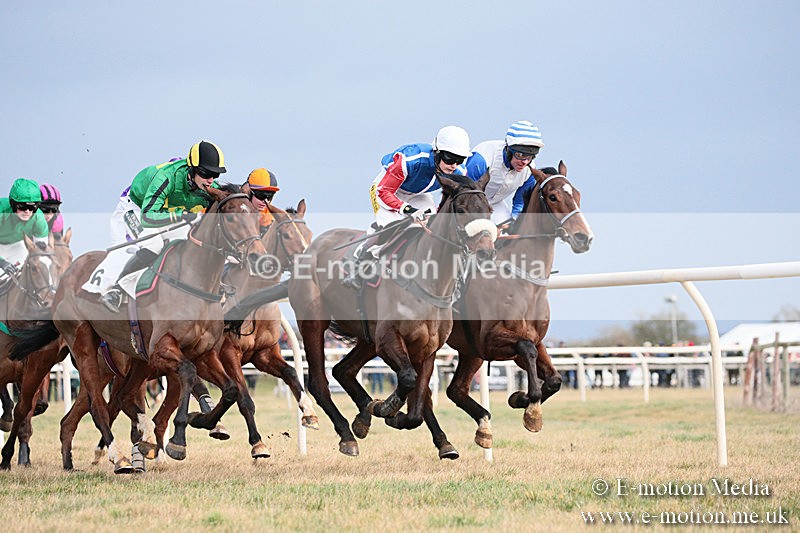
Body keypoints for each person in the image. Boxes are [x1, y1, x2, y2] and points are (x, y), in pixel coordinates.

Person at [86, 140, 227, 313]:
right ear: (192, 169)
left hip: (166, 211)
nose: (211, 180)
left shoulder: (209, 185)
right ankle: (116, 290)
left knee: (188, 242)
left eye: (215, 175)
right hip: (137, 210)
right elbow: (148, 217)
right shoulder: (166, 178)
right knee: (154, 246)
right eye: (206, 174)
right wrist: (185, 216)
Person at [342, 125, 472, 290]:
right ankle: (360, 260)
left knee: (434, 227)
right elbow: (384, 192)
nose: (453, 165)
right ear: (437, 152)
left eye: (459, 160)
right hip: (387, 190)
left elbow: (446, 202)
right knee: (391, 226)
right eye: (449, 158)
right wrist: (407, 209)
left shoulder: (459, 172)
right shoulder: (411, 159)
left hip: (418, 194)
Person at [465, 120, 544, 224]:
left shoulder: (530, 171)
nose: (525, 162)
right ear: (508, 150)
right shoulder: (481, 159)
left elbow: (520, 202)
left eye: (530, 157)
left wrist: (515, 220)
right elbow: (466, 195)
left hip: (496, 205)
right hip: (466, 204)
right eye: (520, 155)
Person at [0, 178, 48, 280]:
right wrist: (2, 262)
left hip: (16, 247)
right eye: (22, 206)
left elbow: (41, 250)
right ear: (13, 203)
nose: (27, 211)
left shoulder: (38, 218)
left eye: (32, 207)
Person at [243, 167, 280, 232]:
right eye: (261, 196)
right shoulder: (234, 210)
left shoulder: (270, 218)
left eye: (269, 197)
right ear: (248, 191)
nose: (265, 201)